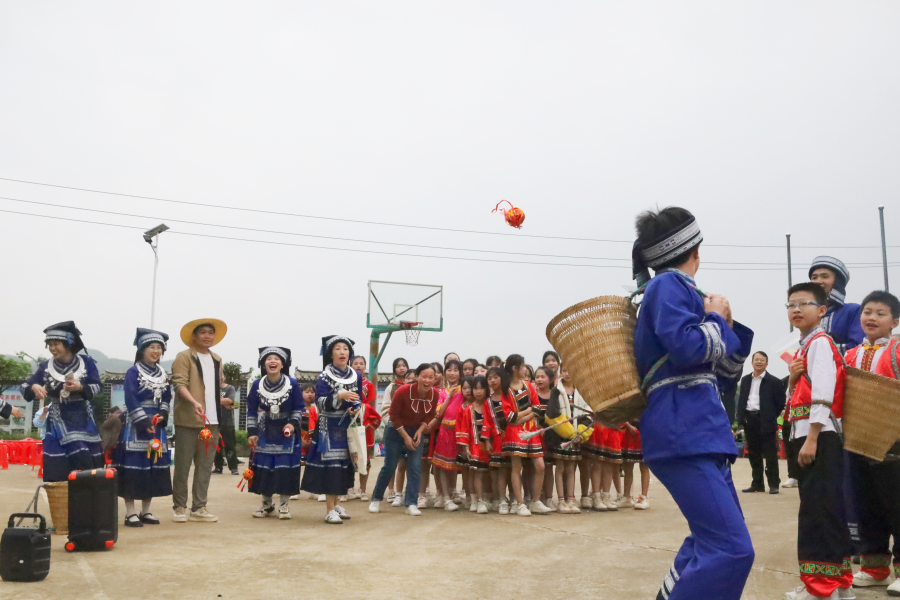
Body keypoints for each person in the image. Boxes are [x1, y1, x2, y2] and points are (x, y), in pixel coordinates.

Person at [631, 207, 755, 600]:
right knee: (731, 549)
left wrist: (725, 323)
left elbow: (727, 373)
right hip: (685, 430)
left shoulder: (677, 291)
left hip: (697, 431)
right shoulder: (668, 285)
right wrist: (717, 320)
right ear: (695, 249)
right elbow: (686, 349)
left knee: (708, 541)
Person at [783, 282, 853, 600]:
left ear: (822, 310)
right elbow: (799, 397)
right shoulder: (804, 348)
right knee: (826, 509)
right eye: (791, 305)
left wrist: (811, 439)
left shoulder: (820, 343)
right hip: (812, 436)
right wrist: (794, 379)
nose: (795, 310)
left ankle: (820, 588)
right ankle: (838, 586)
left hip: (819, 437)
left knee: (817, 512)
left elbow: (824, 393)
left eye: (803, 304)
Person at [844, 291, 900, 595]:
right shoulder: (849, 355)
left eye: (880, 313)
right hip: (856, 440)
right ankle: (874, 568)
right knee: (866, 506)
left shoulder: (899, 351)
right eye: (867, 312)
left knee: (897, 505)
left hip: (894, 442)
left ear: (895, 321)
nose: (871, 318)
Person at [20, 322, 104, 481]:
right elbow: (25, 385)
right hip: (58, 419)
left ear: (68, 344)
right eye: (49, 344)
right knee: (60, 463)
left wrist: (80, 386)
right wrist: (34, 386)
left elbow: (98, 386)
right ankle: (61, 499)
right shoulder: (45, 366)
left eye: (56, 344)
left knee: (87, 459)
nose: (52, 348)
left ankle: (88, 500)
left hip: (84, 419)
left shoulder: (86, 362)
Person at [171, 318, 228, 524]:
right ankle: (179, 506)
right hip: (188, 419)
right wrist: (194, 402)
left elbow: (215, 388)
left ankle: (199, 507)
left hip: (212, 421)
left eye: (210, 332)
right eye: (203, 332)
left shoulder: (217, 359)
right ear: (194, 336)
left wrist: (223, 402)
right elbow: (180, 384)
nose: (207, 336)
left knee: (205, 466)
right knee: (183, 466)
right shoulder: (184, 357)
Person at [115, 328, 174, 527]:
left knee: (152, 466)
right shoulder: (133, 372)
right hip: (136, 426)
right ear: (142, 349)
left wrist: (163, 414)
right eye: (152, 347)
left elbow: (167, 397)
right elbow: (130, 398)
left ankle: (146, 510)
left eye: (159, 348)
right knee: (133, 468)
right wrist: (144, 421)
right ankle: (130, 512)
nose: (156, 351)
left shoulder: (163, 373)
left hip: (157, 425)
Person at [300, 336, 362, 524]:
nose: (342, 352)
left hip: (346, 426)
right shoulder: (324, 376)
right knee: (332, 468)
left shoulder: (356, 375)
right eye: (338, 348)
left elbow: (358, 398)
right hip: (328, 427)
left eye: (345, 348)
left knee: (343, 466)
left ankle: (335, 505)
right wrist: (339, 395)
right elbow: (319, 402)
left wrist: (355, 407)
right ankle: (329, 510)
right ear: (331, 353)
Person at [369, 363, 440, 516]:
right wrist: (406, 437)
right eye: (424, 377)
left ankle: (411, 503)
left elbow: (430, 415)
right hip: (396, 430)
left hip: (416, 430)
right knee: (390, 466)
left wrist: (420, 431)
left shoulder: (435, 394)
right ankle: (376, 498)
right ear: (418, 377)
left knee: (415, 467)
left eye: (431, 377)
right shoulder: (402, 391)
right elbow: (393, 415)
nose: (427, 380)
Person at [245, 347, 304, 520]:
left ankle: (284, 505)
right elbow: (251, 409)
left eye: (276, 359)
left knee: (284, 468)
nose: (272, 361)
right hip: (264, 430)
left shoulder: (292, 383)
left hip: (286, 432)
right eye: (268, 358)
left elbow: (299, 407)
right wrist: (252, 431)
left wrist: (292, 424)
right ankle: (267, 505)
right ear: (263, 364)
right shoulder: (257, 384)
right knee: (264, 468)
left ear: (282, 364)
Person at [542, 366, 591, 514]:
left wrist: (581, 433)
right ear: (560, 372)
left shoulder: (581, 390)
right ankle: (561, 500)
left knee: (571, 468)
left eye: (571, 370)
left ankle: (571, 499)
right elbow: (552, 413)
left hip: (576, 436)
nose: (567, 373)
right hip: (560, 436)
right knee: (560, 468)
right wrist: (568, 433)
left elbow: (587, 412)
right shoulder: (556, 390)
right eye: (564, 370)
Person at [736, 351, 786, 494]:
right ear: (752, 362)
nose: (759, 362)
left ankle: (774, 484)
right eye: (756, 360)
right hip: (749, 420)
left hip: (766, 421)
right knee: (753, 453)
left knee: (770, 454)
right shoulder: (745, 380)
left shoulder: (774, 382)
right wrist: (741, 418)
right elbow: (741, 401)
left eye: (762, 360)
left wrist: (769, 416)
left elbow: (780, 404)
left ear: (767, 363)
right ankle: (757, 483)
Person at [455, 375, 495, 514]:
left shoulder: (490, 406)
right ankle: (479, 500)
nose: (478, 392)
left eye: (481, 388)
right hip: (475, 447)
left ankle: (491, 498)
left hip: (491, 446)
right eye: (475, 388)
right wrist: (466, 448)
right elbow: (464, 429)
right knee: (476, 473)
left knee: (490, 474)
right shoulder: (468, 409)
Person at [809, 257, 864, 355]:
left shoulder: (853, 310)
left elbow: (859, 347)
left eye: (825, 276)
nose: (818, 281)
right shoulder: (809, 314)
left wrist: (818, 351)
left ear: (838, 282)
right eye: (814, 277)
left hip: (846, 369)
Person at [432, 360, 464, 511]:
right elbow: (440, 412)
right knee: (443, 465)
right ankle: (445, 497)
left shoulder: (464, 389)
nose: (452, 373)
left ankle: (455, 493)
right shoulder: (442, 392)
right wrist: (449, 397)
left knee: (458, 465)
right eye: (449, 370)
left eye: (456, 370)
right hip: (445, 432)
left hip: (461, 431)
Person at [379, 357, 409, 505]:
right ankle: (390, 491)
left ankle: (401, 492)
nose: (401, 368)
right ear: (394, 369)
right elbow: (385, 408)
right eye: (398, 366)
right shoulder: (391, 387)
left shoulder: (413, 385)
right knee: (391, 461)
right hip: (392, 428)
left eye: (404, 366)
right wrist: (391, 423)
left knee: (404, 463)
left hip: (408, 430)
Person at [621, 422, 650, 510]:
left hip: (644, 431)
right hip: (629, 433)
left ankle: (644, 497)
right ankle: (627, 497)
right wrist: (628, 425)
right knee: (628, 467)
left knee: (644, 466)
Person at [213, 378, 238, 476]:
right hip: (214, 422)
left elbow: (230, 401)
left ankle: (233, 468)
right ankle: (218, 467)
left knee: (230, 446)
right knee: (216, 446)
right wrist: (224, 402)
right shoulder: (212, 388)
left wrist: (215, 401)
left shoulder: (230, 388)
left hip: (227, 422)